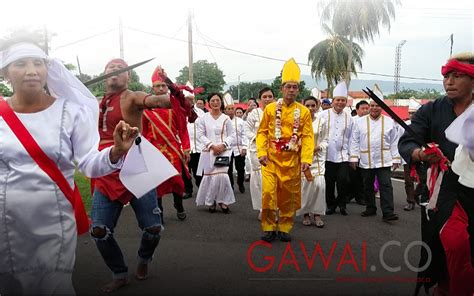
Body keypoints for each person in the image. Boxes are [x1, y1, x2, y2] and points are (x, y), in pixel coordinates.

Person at [0, 41, 138, 295]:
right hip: (6, 222)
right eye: (21, 64)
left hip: (53, 221)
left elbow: (88, 164)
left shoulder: (70, 112)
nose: (31, 70)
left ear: (46, 70)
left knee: (54, 285)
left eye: (38, 63)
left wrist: (116, 151)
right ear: (6, 73)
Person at [90, 58, 171, 293]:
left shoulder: (132, 97)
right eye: (110, 68)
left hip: (135, 166)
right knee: (99, 231)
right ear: (104, 76)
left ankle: (144, 259)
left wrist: (174, 96)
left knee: (153, 229)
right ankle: (120, 273)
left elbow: (159, 100)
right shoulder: (94, 103)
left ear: (129, 78)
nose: (114, 71)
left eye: (120, 69)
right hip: (106, 169)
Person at [398, 52, 474, 296]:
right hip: (442, 196)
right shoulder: (431, 110)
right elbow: (407, 141)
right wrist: (421, 154)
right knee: (444, 254)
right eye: (446, 76)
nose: (448, 82)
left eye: (457, 76)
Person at [256, 58, 314, 242]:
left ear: (298, 90)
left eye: (294, 87)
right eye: (288, 86)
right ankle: (268, 226)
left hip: (292, 161)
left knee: (288, 197)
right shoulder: (271, 109)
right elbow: (262, 132)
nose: (291, 90)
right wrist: (262, 153)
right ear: (282, 88)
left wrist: (306, 159)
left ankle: (285, 227)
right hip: (271, 159)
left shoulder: (304, 111)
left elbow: (307, 137)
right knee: (268, 194)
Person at [142, 66, 191, 222]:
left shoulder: (174, 106)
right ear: (152, 88)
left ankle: (179, 204)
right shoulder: (146, 109)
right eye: (158, 86)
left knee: (177, 180)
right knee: (157, 184)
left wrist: (187, 148)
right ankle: (159, 211)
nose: (161, 88)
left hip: (173, 150)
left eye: (164, 85)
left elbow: (183, 129)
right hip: (154, 151)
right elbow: (142, 132)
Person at [349, 100, 401, 222]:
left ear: (381, 107)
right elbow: (354, 140)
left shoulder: (389, 122)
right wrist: (354, 157)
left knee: (386, 185)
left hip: (384, 159)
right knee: (367, 185)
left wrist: (396, 157)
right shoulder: (360, 122)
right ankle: (370, 208)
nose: (374, 108)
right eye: (372, 106)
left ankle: (388, 212)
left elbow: (394, 141)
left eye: (377, 105)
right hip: (366, 159)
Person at [195, 93, 236, 213]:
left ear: (221, 102)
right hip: (208, 151)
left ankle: (223, 201)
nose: (215, 103)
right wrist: (212, 146)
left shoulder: (226, 118)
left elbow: (232, 135)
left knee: (222, 176)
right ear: (208, 103)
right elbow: (201, 135)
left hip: (223, 151)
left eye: (218, 100)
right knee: (209, 177)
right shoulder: (203, 118)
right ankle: (210, 201)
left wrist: (223, 145)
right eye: (212, 100)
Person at [319, 81, 353, 216]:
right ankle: (331, 205)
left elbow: (351, 138)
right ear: (333, 101)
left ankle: (342, 204)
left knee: (343, 181)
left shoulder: (350, 118)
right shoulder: (323, 115)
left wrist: (353, 156)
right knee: (329, 182)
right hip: (327, 154)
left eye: (343, 100)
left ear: (346, 102)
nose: (340, 103)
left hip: (343, 155)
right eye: (338, 100)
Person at [297, 95, 328, 227]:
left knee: (319, 186)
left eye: (313, 106)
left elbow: (326, 140)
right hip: (303, 159)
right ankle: (305, 213)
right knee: (305, 187)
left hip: (317, 158)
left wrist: (318, 147)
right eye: (307, 105)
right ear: (303, 105)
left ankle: (317, 214)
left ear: (317, 106)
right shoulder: (298, 122)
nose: (310, 108)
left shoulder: (321, 122)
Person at [245, 87, 275, 220]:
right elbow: (247, 130)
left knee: (274, 181)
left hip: (275, 151)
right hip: (257, 150)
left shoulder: (279, 112)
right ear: (259, 99)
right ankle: (262, 208)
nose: (267, 99)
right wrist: (259, 139)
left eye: (270, 96)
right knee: (259, 180)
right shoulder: (254, 114)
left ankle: (273, 209)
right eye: (265, 97)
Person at [183, 82, 205, 199]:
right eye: (187, 99)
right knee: (185, 172)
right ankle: (188, 190)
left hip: (198, 148)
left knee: (198, 172)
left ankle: (202, 190)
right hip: (184, 147)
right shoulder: (180, 111)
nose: (189, 101)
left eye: (191, 99)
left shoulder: (201, 113)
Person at [223, 93, 248, 193]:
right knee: (228, 170)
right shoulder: (223, 121)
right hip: (227, 149)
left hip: (239, 149)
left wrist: (245, 147)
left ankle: (240, 183)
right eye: (228, 109)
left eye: (232, 108)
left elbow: (244, 135)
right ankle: (231, 186)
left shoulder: (241, 122)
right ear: (225, 110)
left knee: (240, 169)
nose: (230, 111)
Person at [401, 98, 423, 211]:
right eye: (410, 113)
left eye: (414, 113)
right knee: (408, 180)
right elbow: (399, 141)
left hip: (422, 156)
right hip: (407, 157)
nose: (412, 115)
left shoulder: (425, 125)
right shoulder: (404, 124)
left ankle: (415, 195)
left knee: (425, 179)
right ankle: (410, 201)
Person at [347, 100, 370, 206]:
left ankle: (360, 196)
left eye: (367, 108)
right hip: (354, 152)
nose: (365, 111)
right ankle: (352, 195)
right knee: (353, 177)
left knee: (363, 178)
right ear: (357, 110)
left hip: (366, 153)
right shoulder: (352, 121)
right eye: (363, 108)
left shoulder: (371, 121)